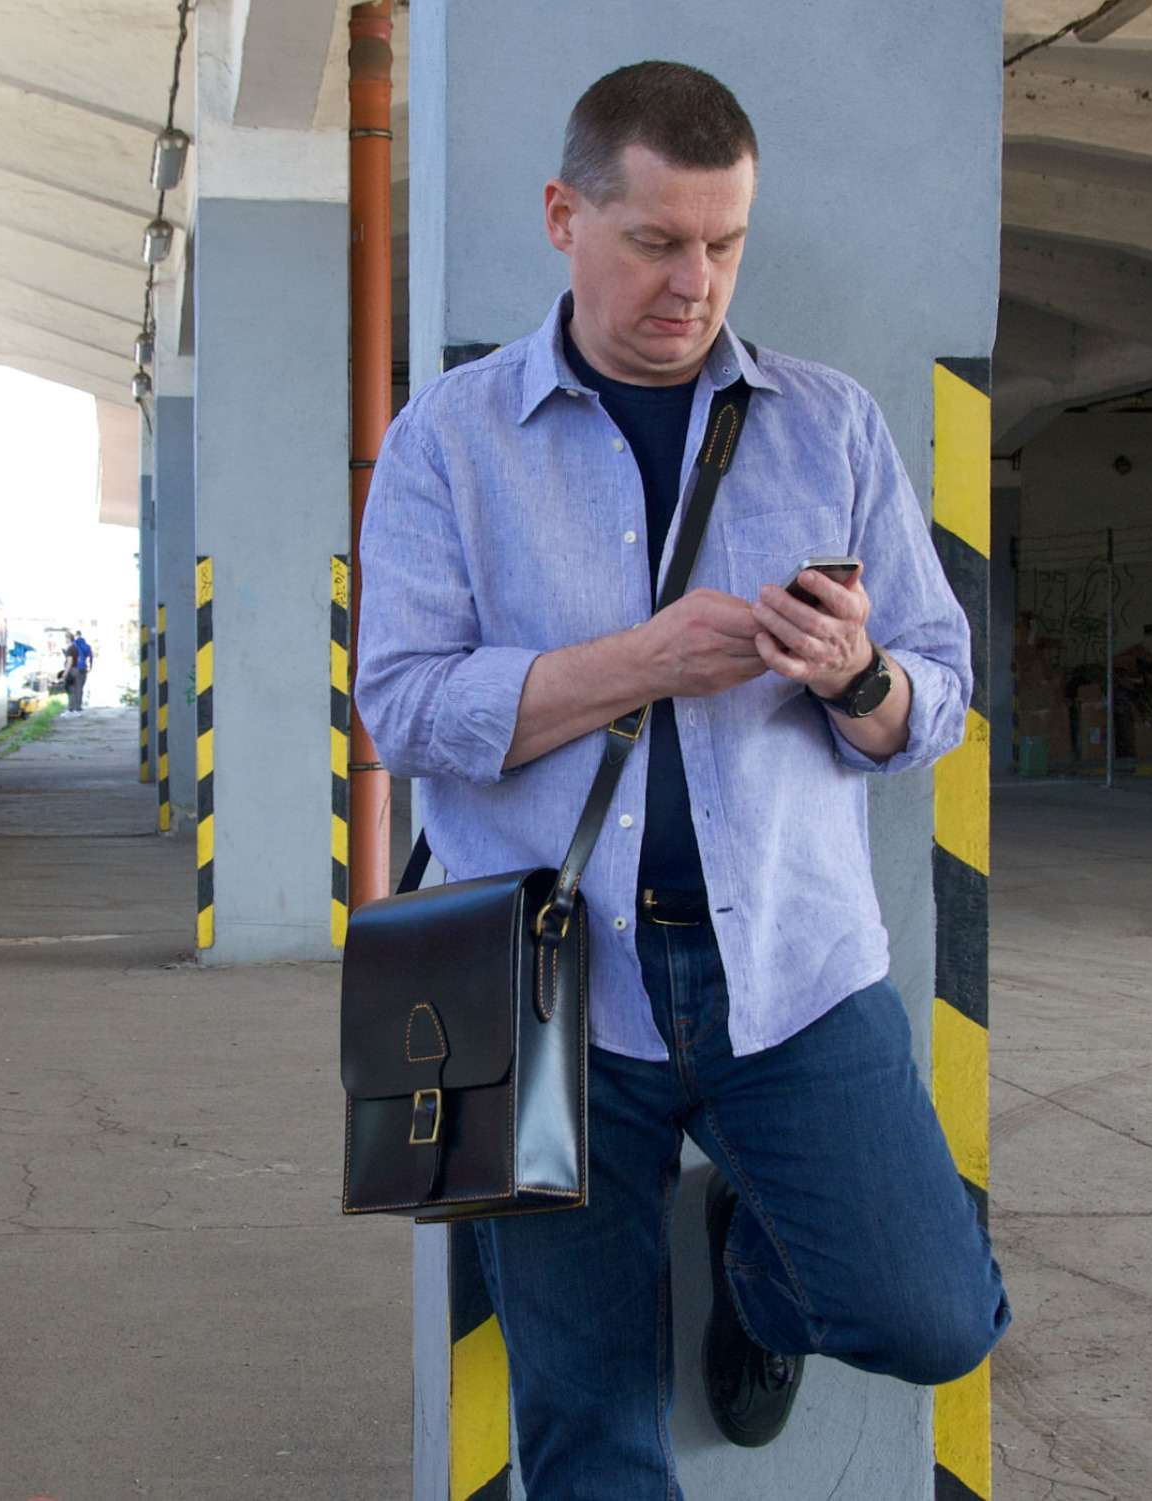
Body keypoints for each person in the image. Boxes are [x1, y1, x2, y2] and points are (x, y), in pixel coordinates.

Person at [355, 60, 1008, 1499]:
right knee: (587, 1427)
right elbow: (397, 705)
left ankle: (762, 1279)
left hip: (791, 965)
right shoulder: (448, 438)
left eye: (723, 244)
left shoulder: (830, 424)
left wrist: (859, 677)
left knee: (934, 1316)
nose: (693, 284)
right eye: (656, 241)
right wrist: (636, 661)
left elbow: (941, 696)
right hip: (543, 991)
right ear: (563, 217)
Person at [63, 628, 92, 714]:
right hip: (83, 668)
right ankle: (78, 706)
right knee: (79, 687)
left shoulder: (72, 646)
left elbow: (70, 660)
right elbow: (90, 657)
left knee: (71, 689)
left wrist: (65, 672)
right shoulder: (86, 646)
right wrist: (90, 667)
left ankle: (72, 708)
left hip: (74, 668)